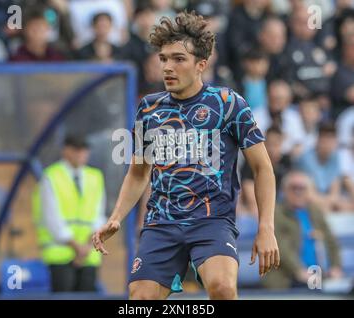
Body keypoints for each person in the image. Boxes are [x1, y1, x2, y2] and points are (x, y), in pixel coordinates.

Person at [92, 11, 279, 300]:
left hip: (212, 220)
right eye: (164, 58)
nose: (168, 66)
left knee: (223, 288)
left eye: (178, 59)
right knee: (140, 299)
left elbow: (263, 168)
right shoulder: (148, 109)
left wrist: (266, 227)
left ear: (201, 64)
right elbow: (139, 172)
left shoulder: (229, 104)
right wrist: (116, 217)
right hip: (162, 222)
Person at [33, 135, 106, 292]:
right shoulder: (51, 176)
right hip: (61, 254)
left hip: (89, 255)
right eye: (76, 150)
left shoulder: (96, 177)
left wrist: (86, 246)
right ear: (65, 150)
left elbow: (99, 215)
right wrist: (76, 247)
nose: (81, 154)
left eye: (84, 150)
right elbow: (51, 218)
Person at [262, 171, 343, 289]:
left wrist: (336, 266)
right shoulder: (275, 213)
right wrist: (299, 270)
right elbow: (281, 248)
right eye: (293, 188)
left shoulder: (315, 212)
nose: (298, 192)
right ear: (284, 191)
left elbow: (331, 241)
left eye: (302, 188)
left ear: (309, 191)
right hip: (288, 278)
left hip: (320, 278)